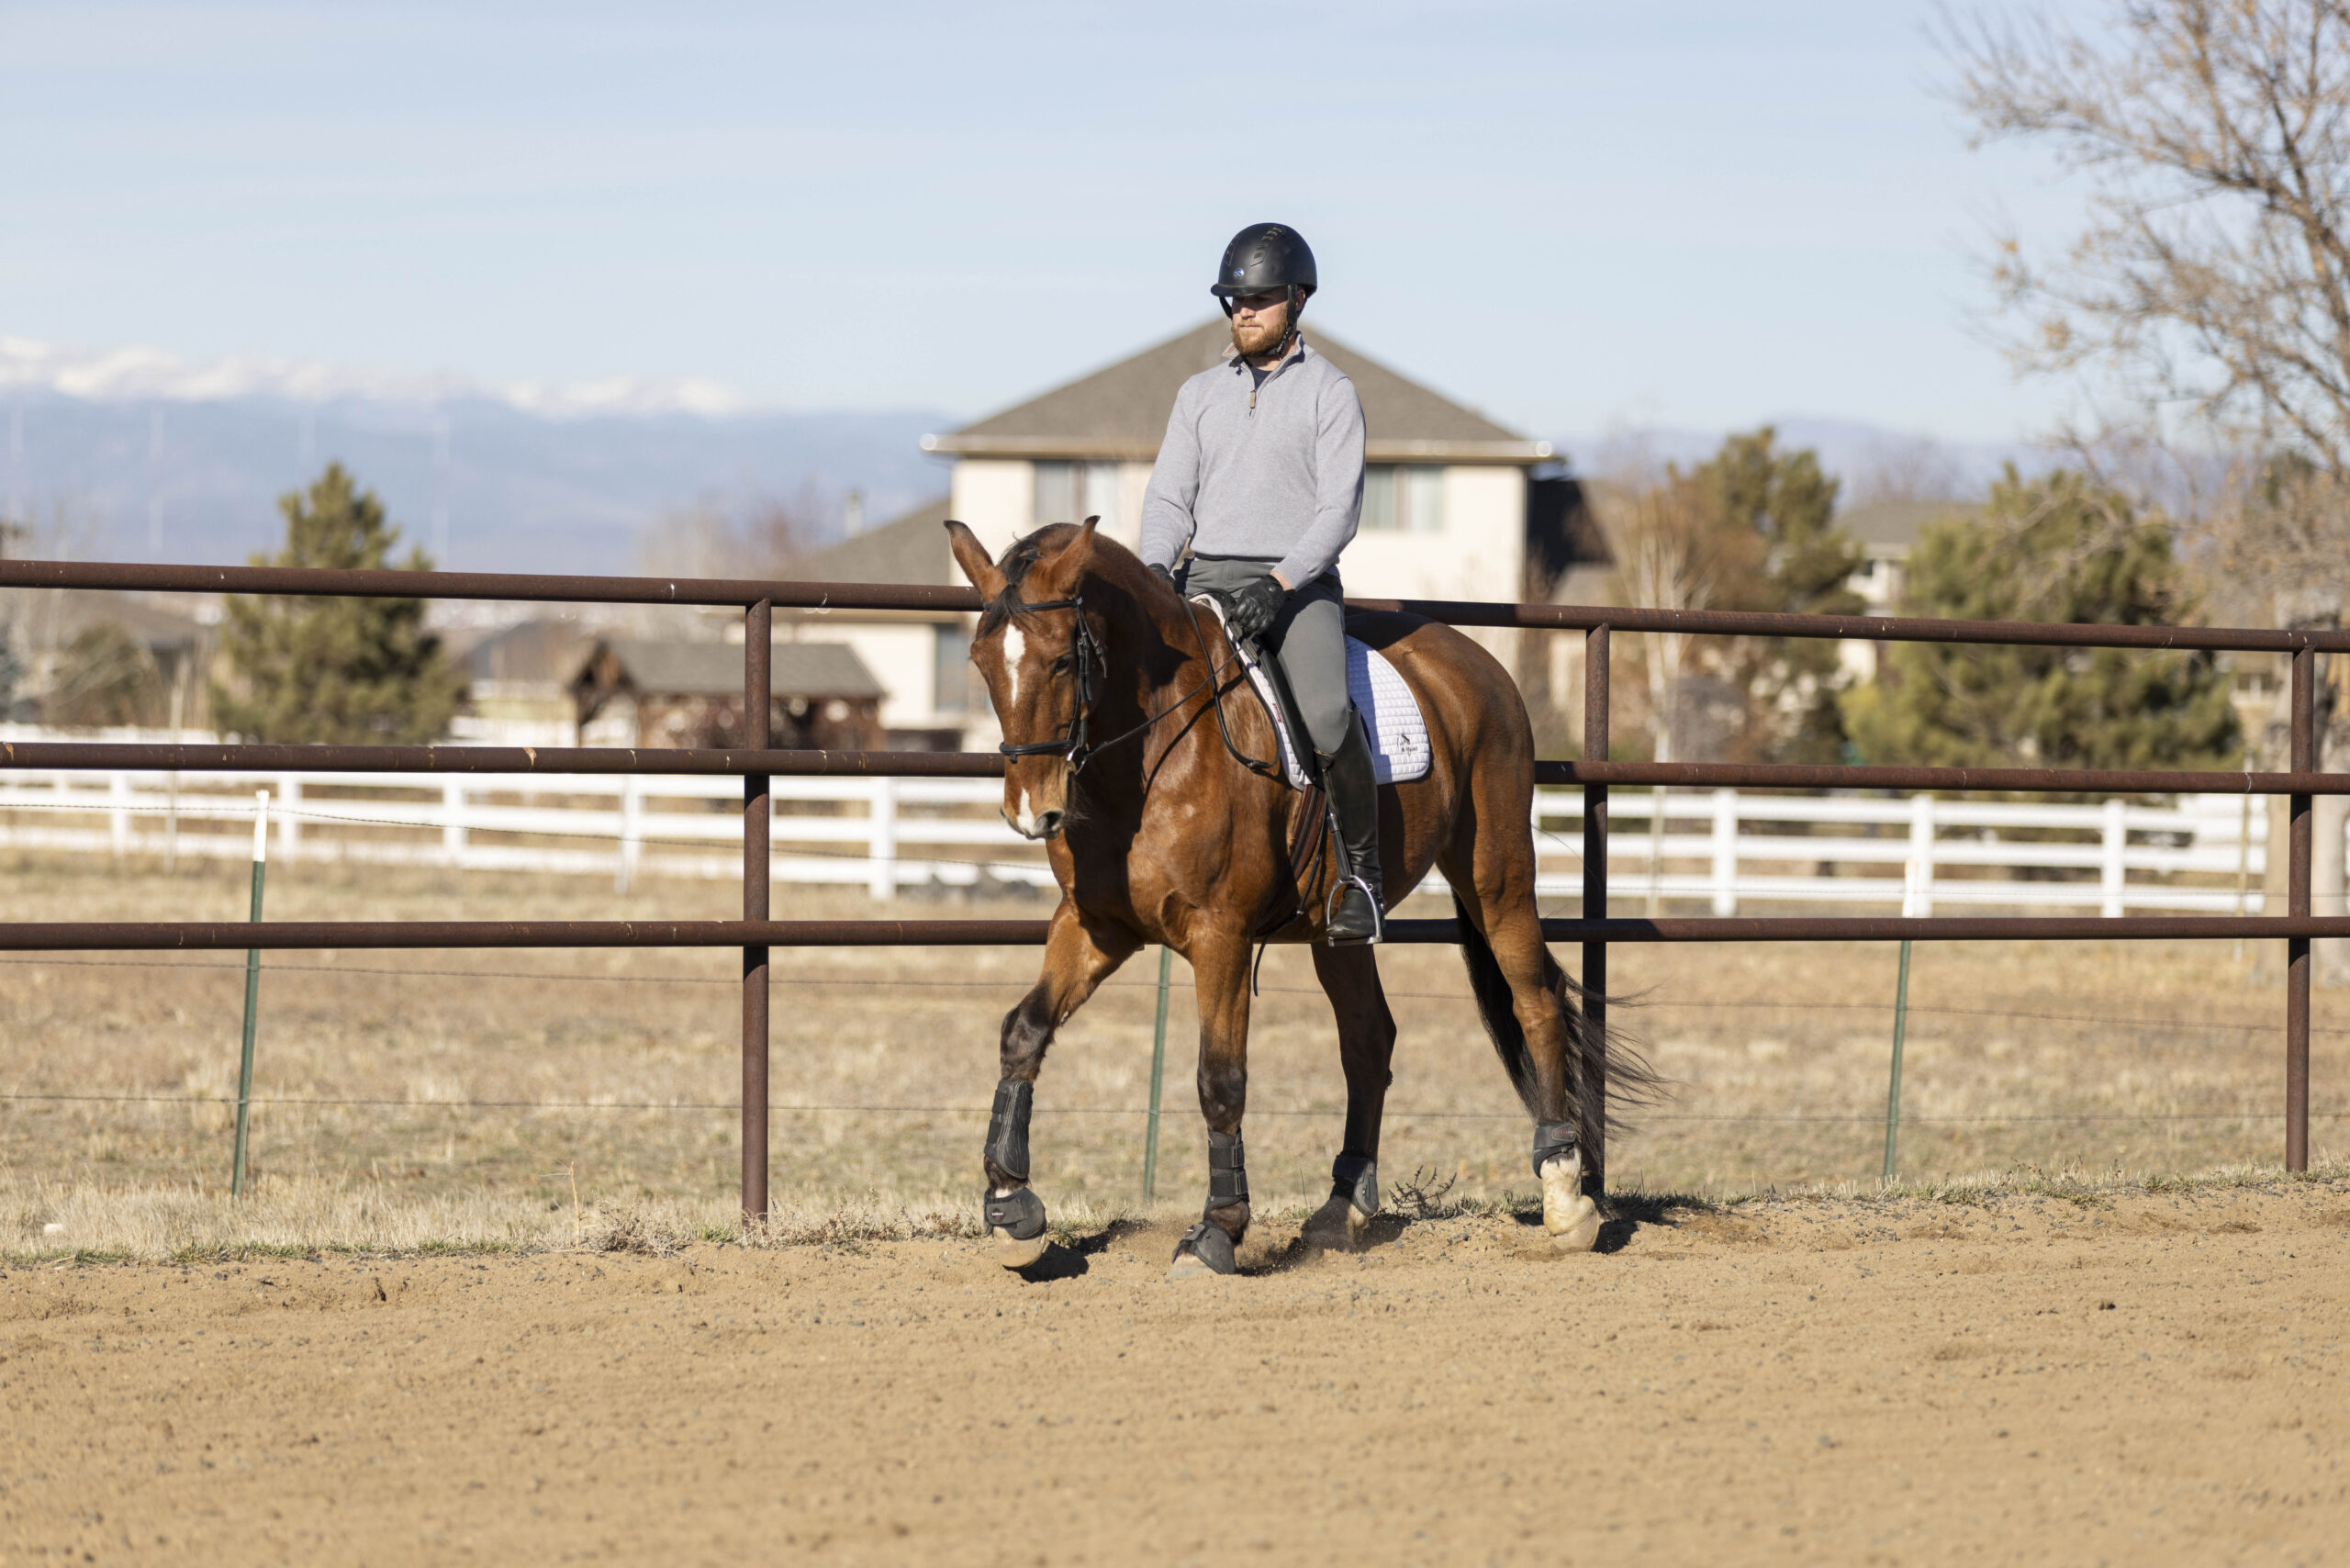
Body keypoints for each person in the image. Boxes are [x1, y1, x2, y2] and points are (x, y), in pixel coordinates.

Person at [1137, 221, 1383, 945]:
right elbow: (1167, 498)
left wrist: (1279, 584)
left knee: (1329, 716)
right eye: (1234, 300)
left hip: (1295, 587)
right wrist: (1154, 571)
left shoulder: (1331, 394)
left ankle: (1360, 879)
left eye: (1260, 299)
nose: (1244, 311)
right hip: (1203, 577)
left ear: (1297, 301)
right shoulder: (1198, 395)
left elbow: (1339, 511)